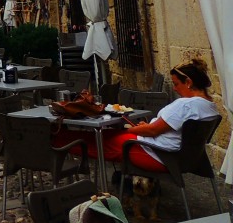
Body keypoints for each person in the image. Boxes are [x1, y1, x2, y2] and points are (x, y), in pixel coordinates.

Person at [53, 58, 219, 171]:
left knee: (99, 139)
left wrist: (130, 131)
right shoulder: (211, 107)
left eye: (176, 84)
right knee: (104, 137)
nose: (174, 88)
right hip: (179, 155)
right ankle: (57, 139)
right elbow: (161, 129)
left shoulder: (187, 105)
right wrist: (145, 128)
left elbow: (153, 131)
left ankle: (53, 141)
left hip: (157, 154)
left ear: (188, 82)